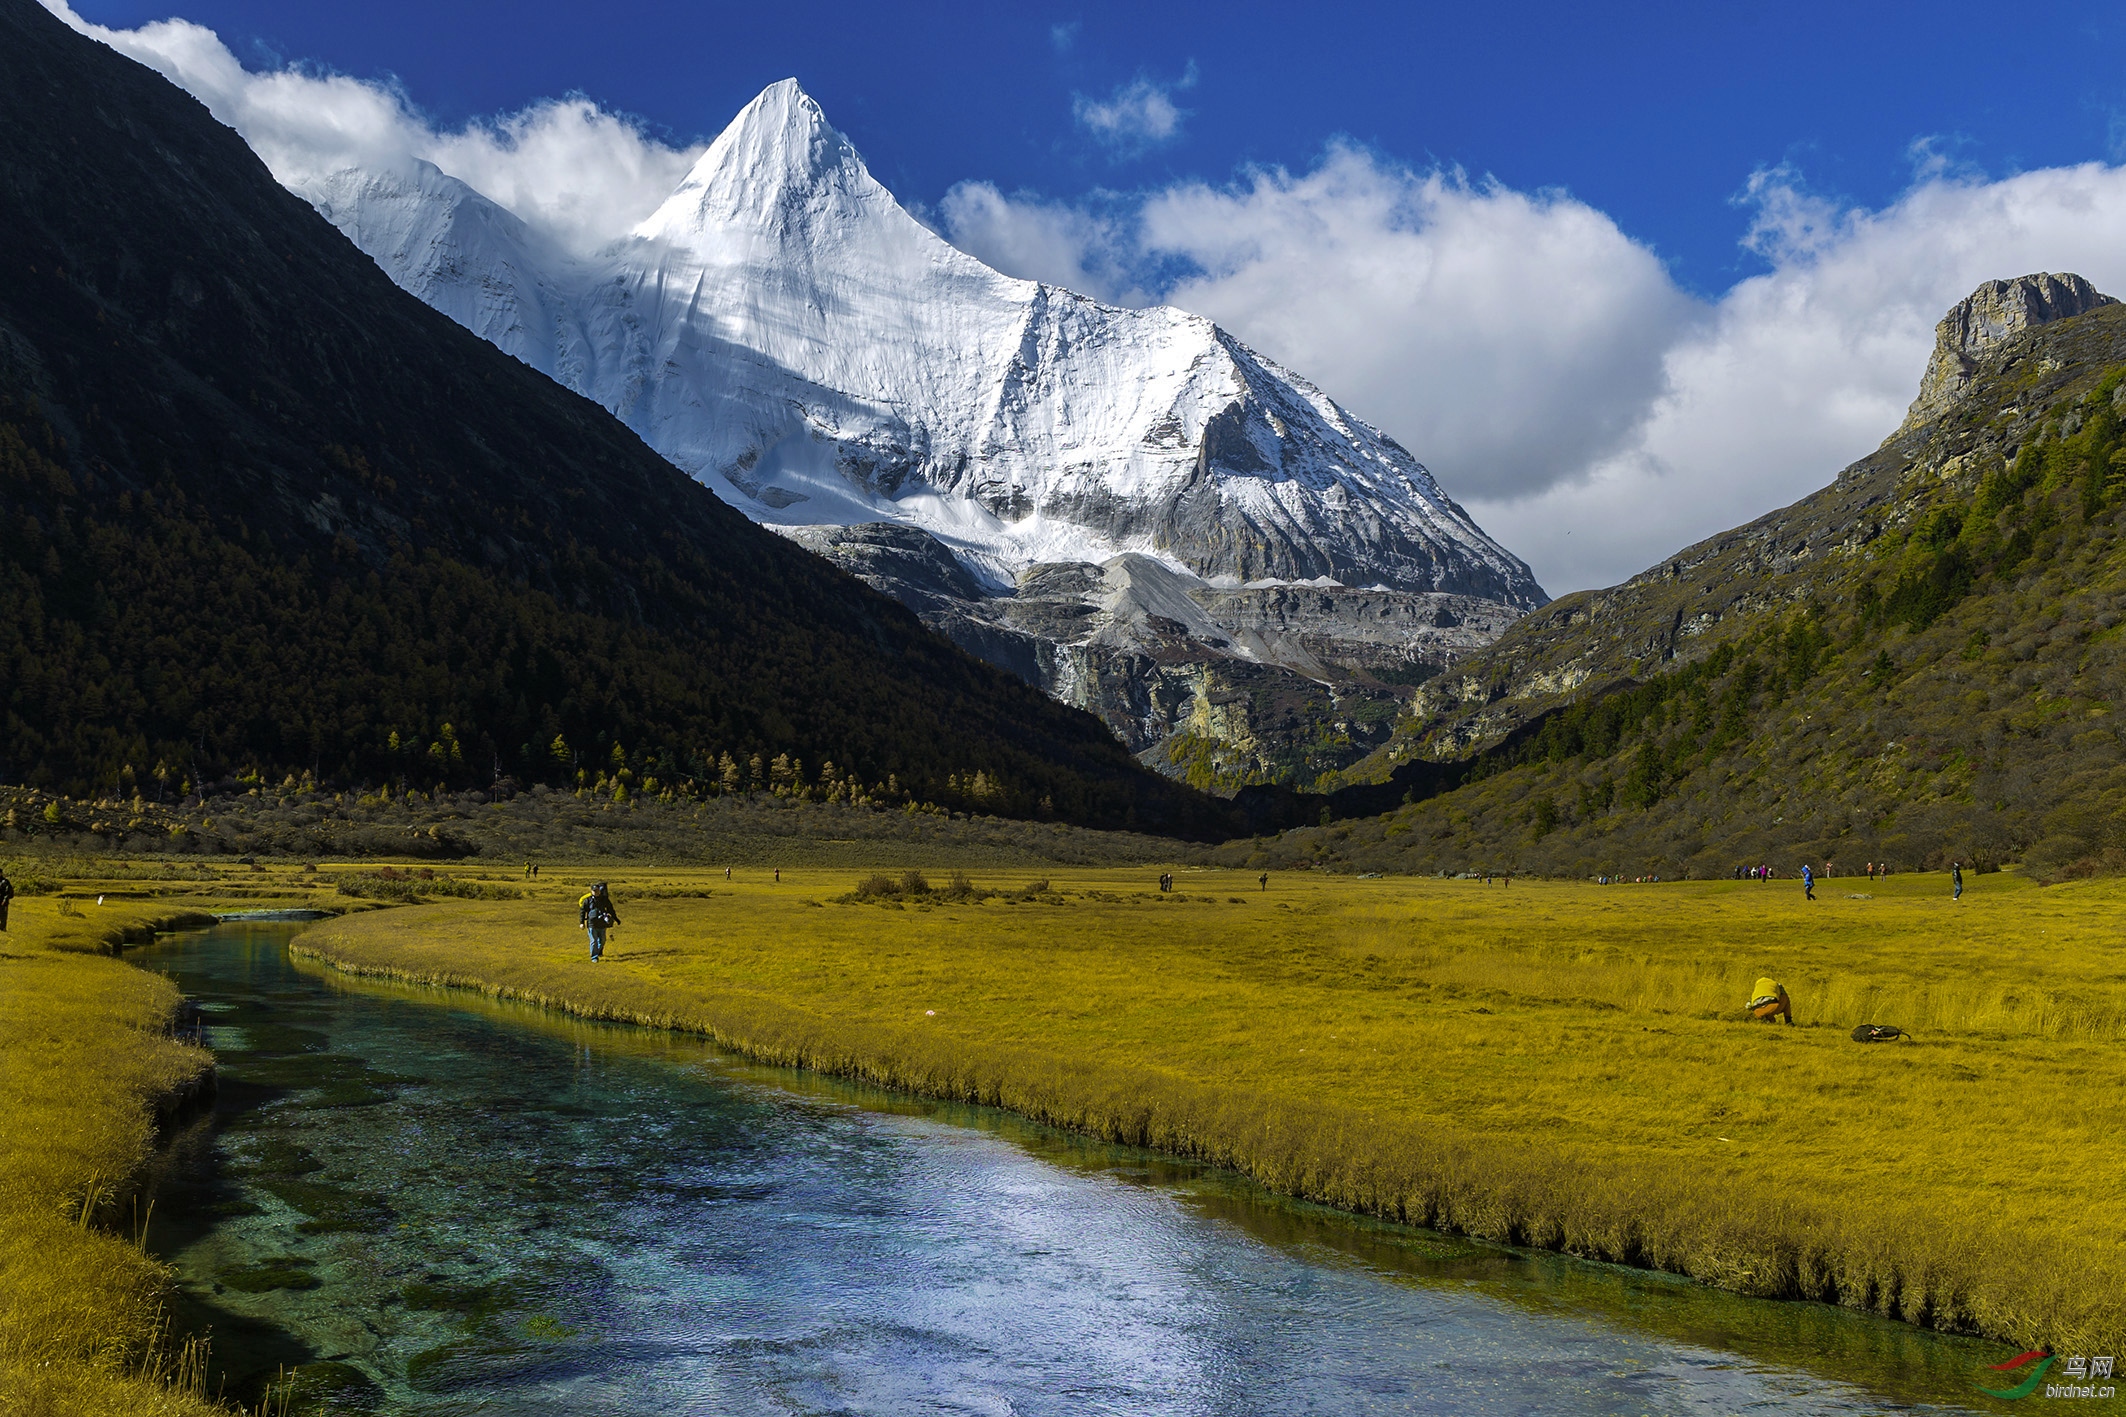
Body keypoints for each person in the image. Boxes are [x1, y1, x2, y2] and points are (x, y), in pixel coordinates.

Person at [578, 881, 620, 963]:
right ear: (591, 891)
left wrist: (616, 919)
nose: (596, 892)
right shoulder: (588, 900)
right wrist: (581, 922)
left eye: (597, 890)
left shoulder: (604, 900)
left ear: (599, 890)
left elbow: (610, 909)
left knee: (602, 940)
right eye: (594, 891)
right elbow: (582, 911)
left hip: (602, 923)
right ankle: (594, 957)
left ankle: (598, 951)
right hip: (592, 924)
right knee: (593, 941)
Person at [0, 866, 12, 931]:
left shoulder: (5, 882)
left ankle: (3, 928)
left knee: (3, 916)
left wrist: (4, 900)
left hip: (3, 902)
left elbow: (8, 892)